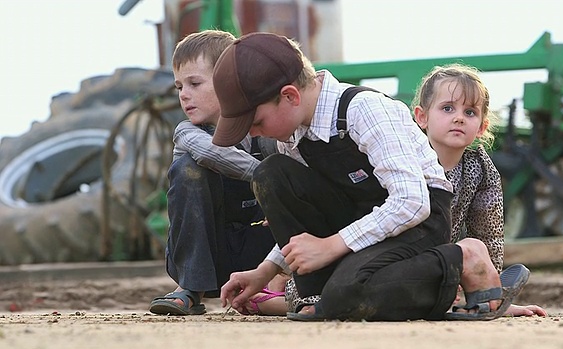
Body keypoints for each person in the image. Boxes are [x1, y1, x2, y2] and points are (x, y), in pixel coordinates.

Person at [214, 32, 530, 321]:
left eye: (255, 122)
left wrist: (331, 245)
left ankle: (462, 257)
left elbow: (411, 202)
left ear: (290, 96)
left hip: (418, 222)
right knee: (271, 174)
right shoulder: (291, 135)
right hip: (360, 226)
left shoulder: (364, 110)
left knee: (348, 297)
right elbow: (306, 222)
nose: (254, 133)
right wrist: (265, 271)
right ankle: (328, 295)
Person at [148, 30, 287, 316]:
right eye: (179, 87)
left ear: (228, 81)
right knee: (189, 169)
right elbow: (215, 153)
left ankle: (278, 281)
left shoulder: (263, 127)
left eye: (195, 83)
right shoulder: (187, 132)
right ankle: (190, 288)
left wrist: (284, 195)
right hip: (212, 250)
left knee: (286, 165)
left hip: (260, 250)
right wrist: (272, 179)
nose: (184, 95)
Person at [412, 63, 546, 318]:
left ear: (482, 127)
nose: (459, 117)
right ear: (422, 117)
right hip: (397, 258)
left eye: (470, 112)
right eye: (447, 108)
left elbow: (489, 235)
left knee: (474, 245)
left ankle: (484, 300)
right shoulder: (408, 160)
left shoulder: (480, 167)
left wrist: (491, 293)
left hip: (443, 262)